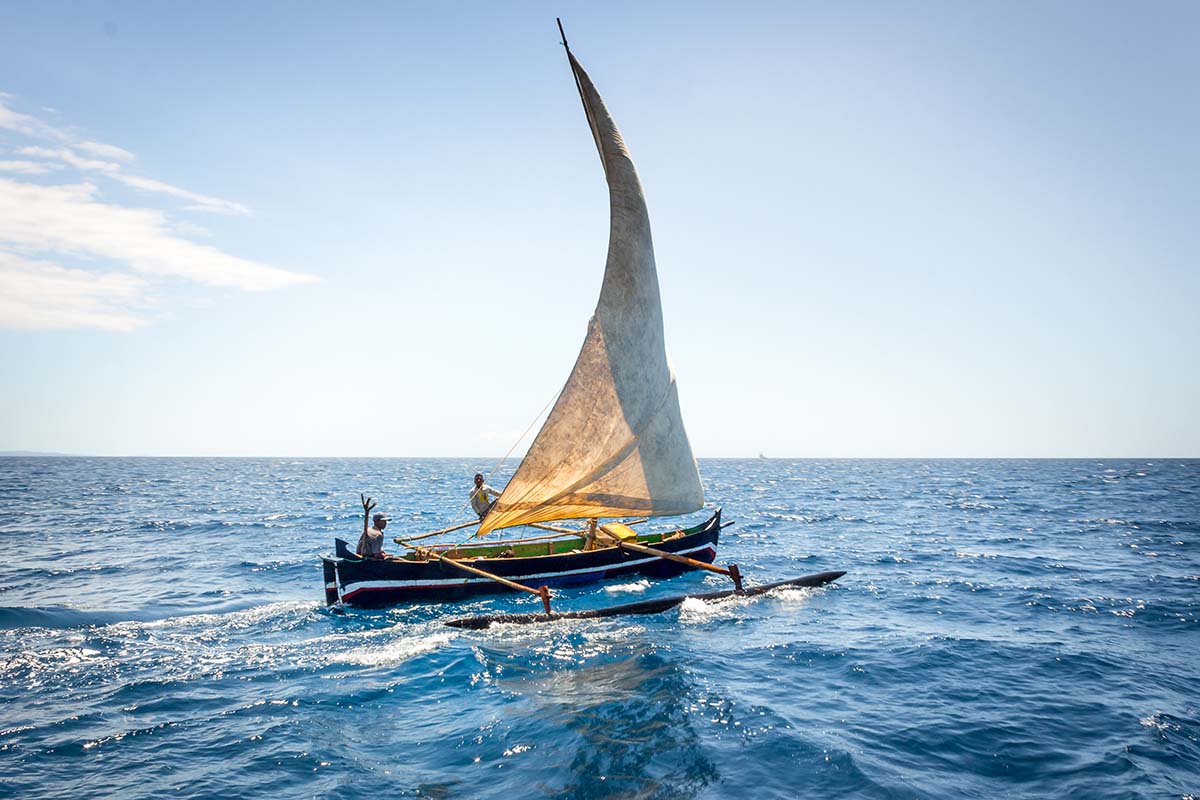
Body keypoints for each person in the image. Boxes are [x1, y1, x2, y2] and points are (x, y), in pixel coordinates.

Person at [357, 494, 389, 559]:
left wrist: (380, 552)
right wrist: (386, 556)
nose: (385, 523)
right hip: (368, 558)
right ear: (376, 521)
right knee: (395, 558)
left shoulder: (368, 529)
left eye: (385, 521)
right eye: (383, 521)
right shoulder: (378, 535)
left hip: (360, 555)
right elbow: (376, 555)